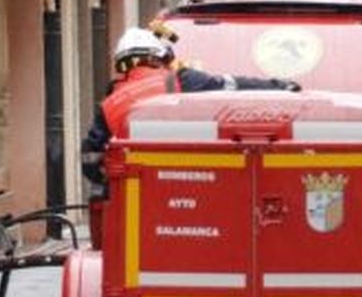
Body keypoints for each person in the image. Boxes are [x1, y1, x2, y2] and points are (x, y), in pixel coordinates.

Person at [81, 28, 300, 189]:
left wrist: (114, 183)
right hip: (194, 183)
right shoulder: (181, 81)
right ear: (158, 57)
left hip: (137, 195)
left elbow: (90, 161)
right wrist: (281, 87)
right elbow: (233, 85)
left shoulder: (110, 104)